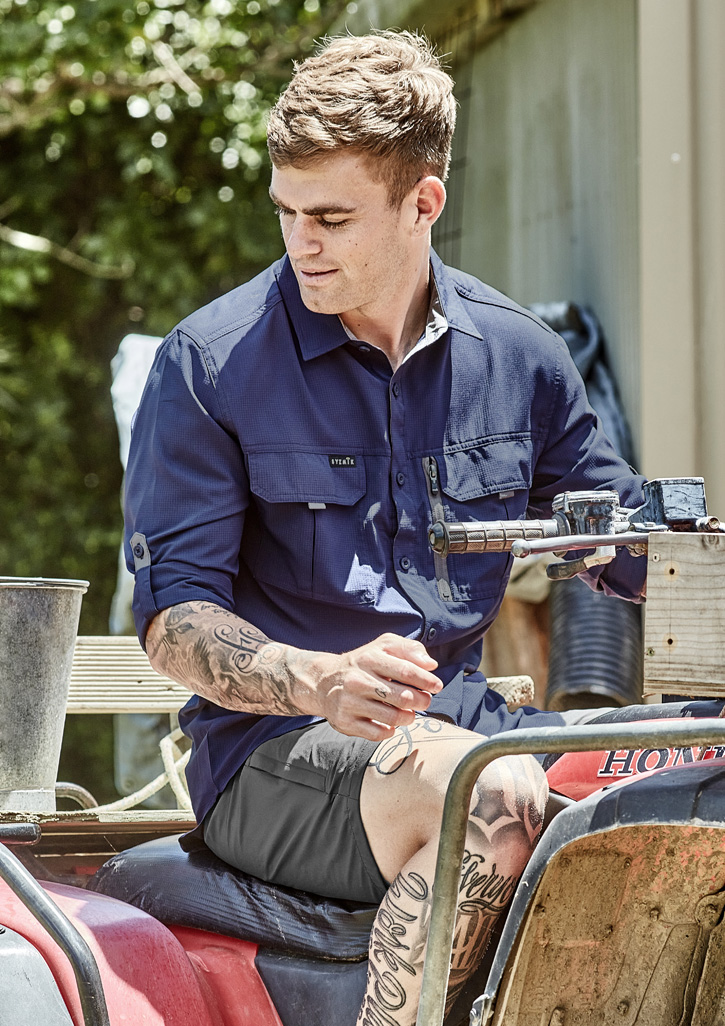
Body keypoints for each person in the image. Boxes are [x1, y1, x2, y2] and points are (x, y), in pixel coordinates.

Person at [124, 31, 646, 1025]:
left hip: (470, 730)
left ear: (423, 202)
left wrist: (679, 562)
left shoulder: (522, 359)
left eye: (330, 218)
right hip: (273, 753)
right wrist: (318, 679)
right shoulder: (209, 363)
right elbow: (174, 622)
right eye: (286, 212)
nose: (301, 244)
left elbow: (629, 547)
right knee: (484, 796)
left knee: (685, 774)